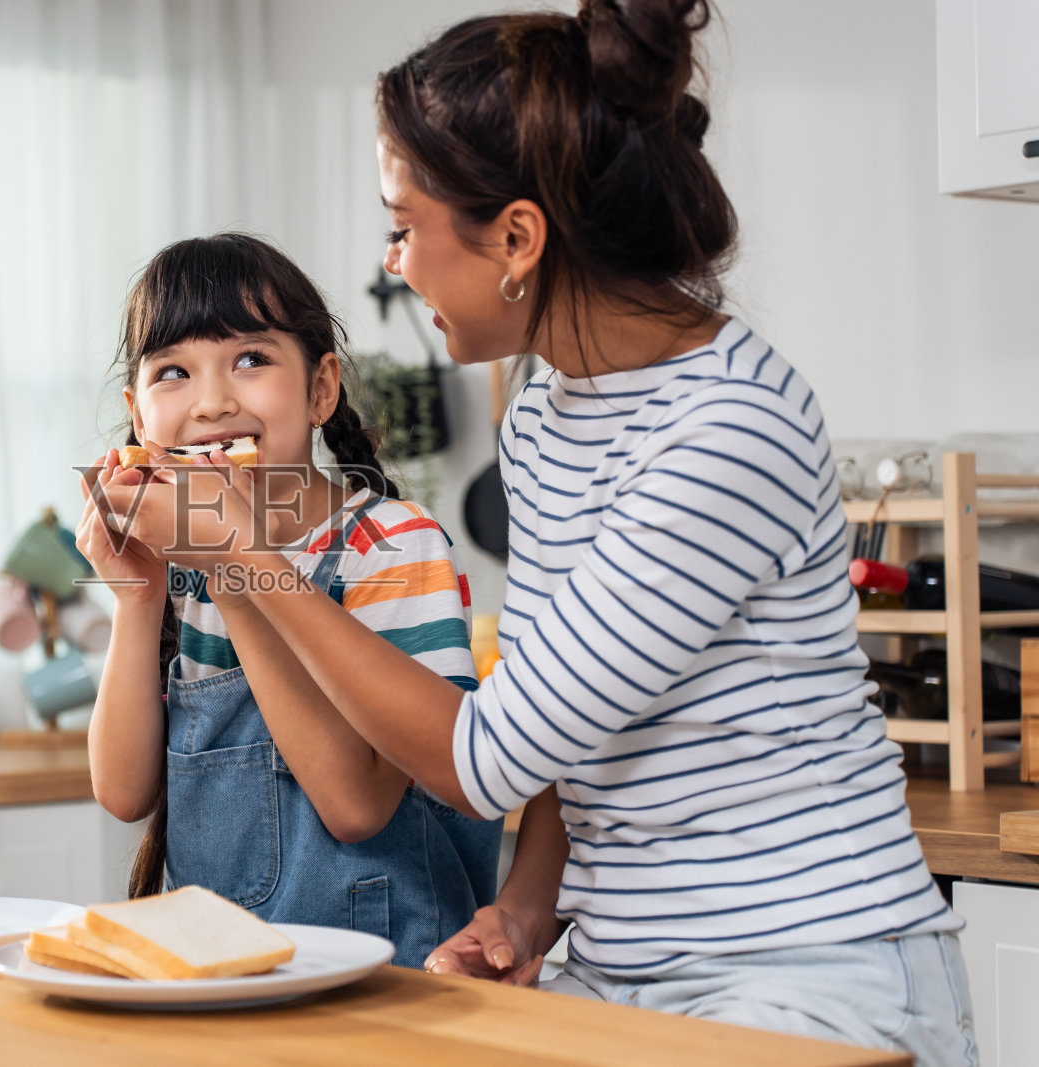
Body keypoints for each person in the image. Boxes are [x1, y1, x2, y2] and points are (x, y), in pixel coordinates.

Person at [93, 4, 977, 1064]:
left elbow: (484, 757)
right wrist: (525, 907)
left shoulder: (726, 429)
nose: (394, 262)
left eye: (403, 224)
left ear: (515, 239)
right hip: (615, 966)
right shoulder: (549, 410)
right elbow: (565, 715)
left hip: (804, 969)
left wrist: (236, 555)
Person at [74, 232, 503, 969]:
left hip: (390, 984)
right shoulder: (180, 567)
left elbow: (357, 807)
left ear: (321, 389)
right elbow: (122, 792)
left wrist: (234, 569)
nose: (212, 401)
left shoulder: (391, 545)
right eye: (173, 371)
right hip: (227, 979)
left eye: (251, 359)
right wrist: (137, 598)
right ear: (139, 417)